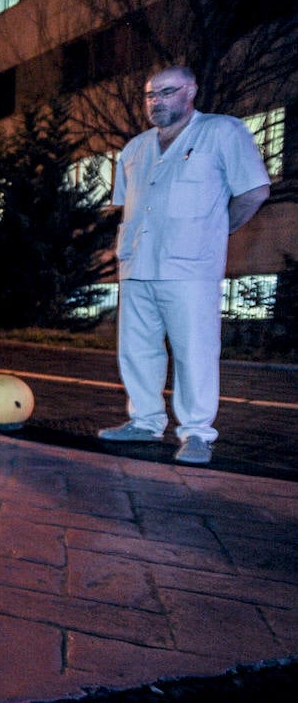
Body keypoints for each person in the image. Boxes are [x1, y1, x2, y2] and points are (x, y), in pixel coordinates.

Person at [98, 65, 270, 465]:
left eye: (166, 92)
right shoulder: (135, 149)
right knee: (137, 350)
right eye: (150, 95)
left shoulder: (221, 132)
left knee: (195, 351)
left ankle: (196, 433)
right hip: (138, 265)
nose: (156, 101)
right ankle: (144, 421)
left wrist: (215, 229)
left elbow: (255, 191)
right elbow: (127, 206)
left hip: (190, 267)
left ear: (191, 90)